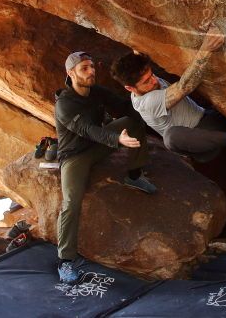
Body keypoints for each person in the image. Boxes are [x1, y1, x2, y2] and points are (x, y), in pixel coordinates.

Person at [54, 51, 157, 284]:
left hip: (100, 145)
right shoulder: (65, 104)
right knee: (71, 202)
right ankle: (65, 260)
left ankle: (133, 175)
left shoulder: (97, 92)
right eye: (84, 68)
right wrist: (117, 140)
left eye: (92, 66)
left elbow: (124, 107)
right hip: (75, 156)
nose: (91, 72)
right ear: (71, 74)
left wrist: (143, 94)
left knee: (134, 122)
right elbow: (87, 130)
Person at [110, 27, 226, 163]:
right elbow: (184, 87)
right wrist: (206, 49)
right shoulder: (147, 103)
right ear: (130, 88)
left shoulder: (145, 81)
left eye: (151, 75)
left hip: (209, 119)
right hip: (200, 144)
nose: (154, 80)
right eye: (146, 81)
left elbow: (137, 50)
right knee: (171, 137)